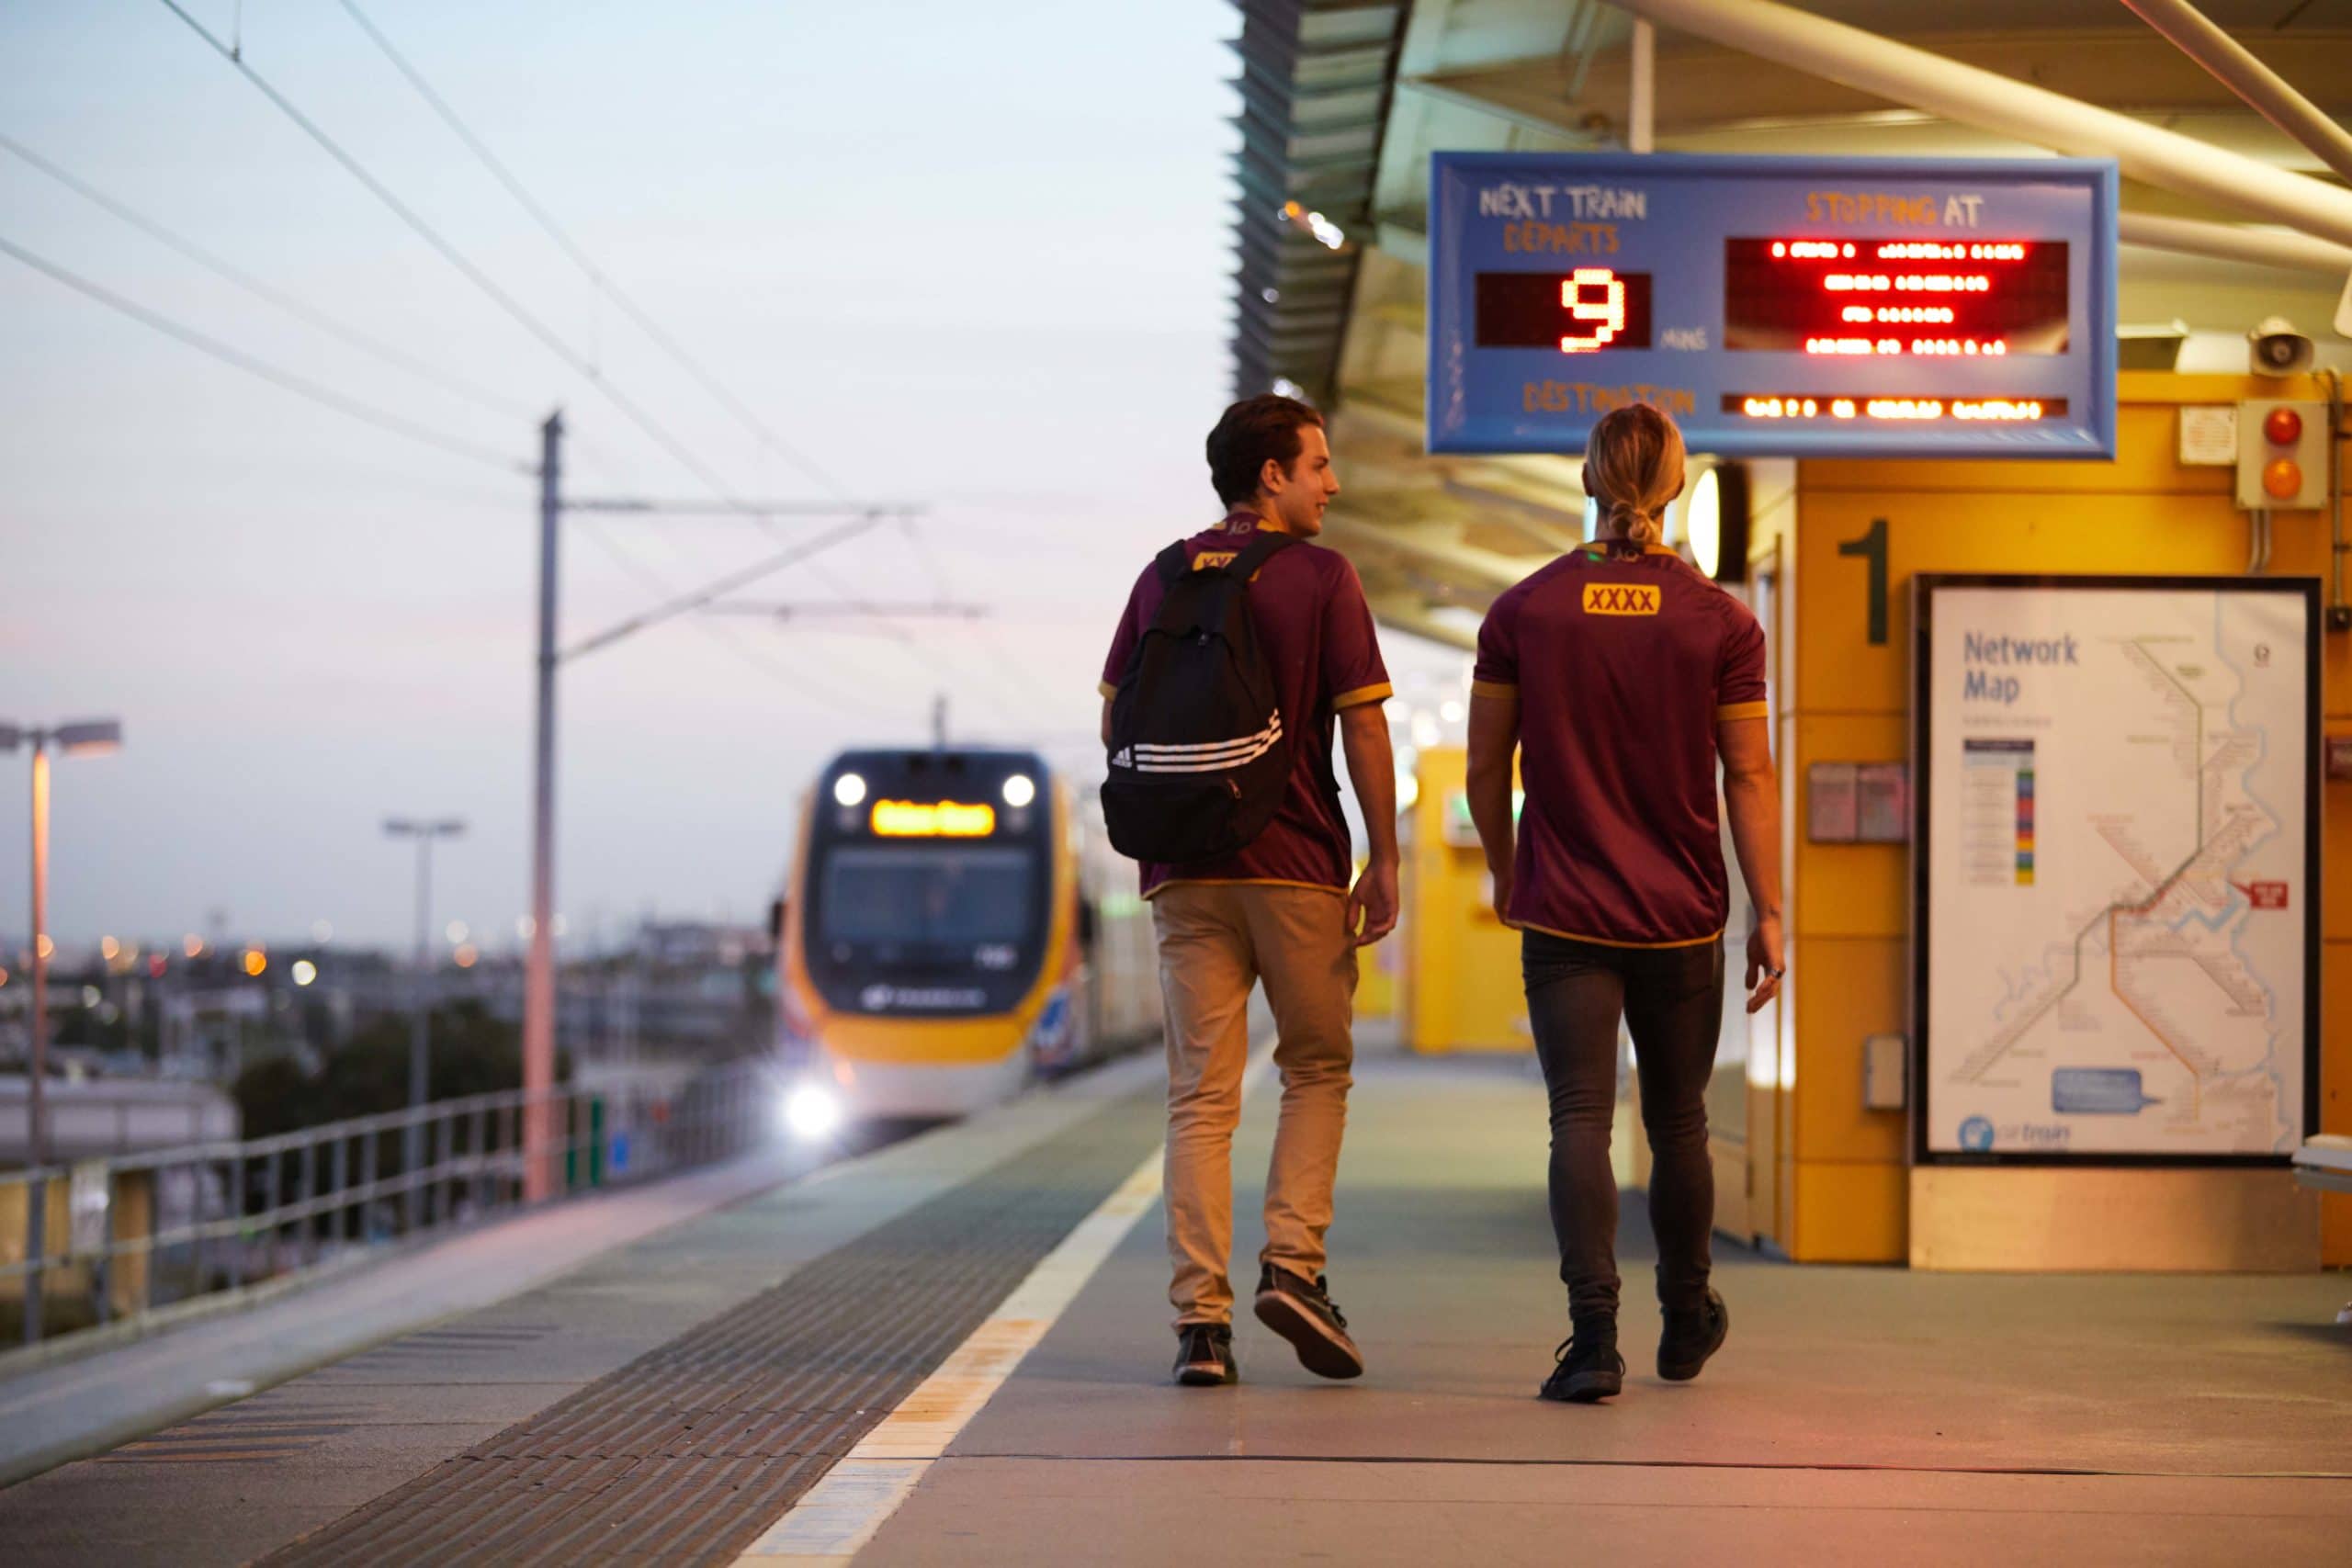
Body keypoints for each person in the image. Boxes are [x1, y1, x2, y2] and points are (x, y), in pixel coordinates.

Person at [1464, 401, 1783, 1405]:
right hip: (1682, 913)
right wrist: (1767, 908)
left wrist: (1510, 866)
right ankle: (1685, 1316)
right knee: (1678, 1121)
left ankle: (1591, 1340)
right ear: (1675, 485)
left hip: (1562, 913)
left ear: (1588, 481)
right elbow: (1751, 776)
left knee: (1577, 1121)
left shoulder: (1525, 612)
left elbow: (1485, 765)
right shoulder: (1721, 622)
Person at [1099, 392, 1399, 1389]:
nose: (1333, 482)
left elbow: (1115, 721)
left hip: (1182, 874)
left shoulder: (1161, 574)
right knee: (1315, 1067)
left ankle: (1201, 1327)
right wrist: (1383, 854)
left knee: (1200, 1097)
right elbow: (1362, 728)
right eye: (1318, 464)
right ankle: (1293, 1269)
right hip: (1295, 863)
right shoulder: (1319, 577)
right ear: (1269, 475)